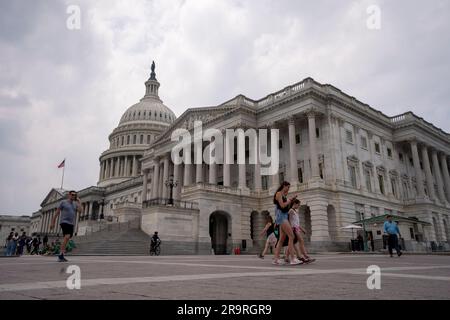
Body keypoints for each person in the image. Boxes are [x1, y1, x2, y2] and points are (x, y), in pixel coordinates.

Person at [272, 181, 301, 265]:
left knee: (281, 240)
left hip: (283, 216)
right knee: (291, 236)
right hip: (281, 217)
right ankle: (292, 258)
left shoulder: (283, 195)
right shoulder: (278, 194)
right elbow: (282, 206)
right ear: (284, 186)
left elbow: (286, 207)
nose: (288, 189)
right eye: (288, 187)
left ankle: (276, 259)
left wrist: (291, 199)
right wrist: (290, 200)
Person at [50, 190, 82, 262]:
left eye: (75, 195)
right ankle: (60, 255)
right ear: (69, 195)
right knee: (67, 236)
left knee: (67, 238)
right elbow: (57, 212)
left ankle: (62, 254)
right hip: (64, 222)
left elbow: (80, 210)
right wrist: (53, 222)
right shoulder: (63, 202)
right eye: (72, 194)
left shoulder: (75, 204)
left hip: (71, 223)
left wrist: (79, 202)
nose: (74, 196)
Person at [288, 199, 315, 263]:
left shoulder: (295, 211)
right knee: (300, 241)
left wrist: (302, 229)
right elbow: (289, 220)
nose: (299, 206)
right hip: (293, 228)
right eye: (298, 204)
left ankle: (299, 256)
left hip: (296, 228)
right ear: (295, 203)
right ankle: (305, 256)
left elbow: (296, 222)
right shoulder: (291, 210)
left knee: (295, 243)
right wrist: (290, 228)